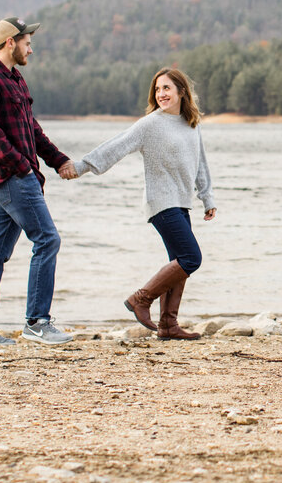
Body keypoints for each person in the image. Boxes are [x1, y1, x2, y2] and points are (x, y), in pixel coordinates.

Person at [71, 67, 216, 339]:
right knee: (190, 258)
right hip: (161, 203)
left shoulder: (191, 124)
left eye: (166, 88)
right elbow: (116, 146)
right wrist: (82, 167)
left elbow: (201, 165)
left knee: (178, 263)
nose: (161, 94)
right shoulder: (150, 124)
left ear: (181, 91)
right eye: (158, 89)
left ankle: (168, 326)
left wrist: (206, 197)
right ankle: (141, 299)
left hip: (182, 202)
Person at [0, 16, 77, 347]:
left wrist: (58, 160)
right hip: (12, 178)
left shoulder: (15, 79)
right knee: (47, 240)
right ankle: (37, 322)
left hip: (18, 178)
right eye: (27, 42)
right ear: (10, 42)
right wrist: (23, 168)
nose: (32, 48)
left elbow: (32, 129)